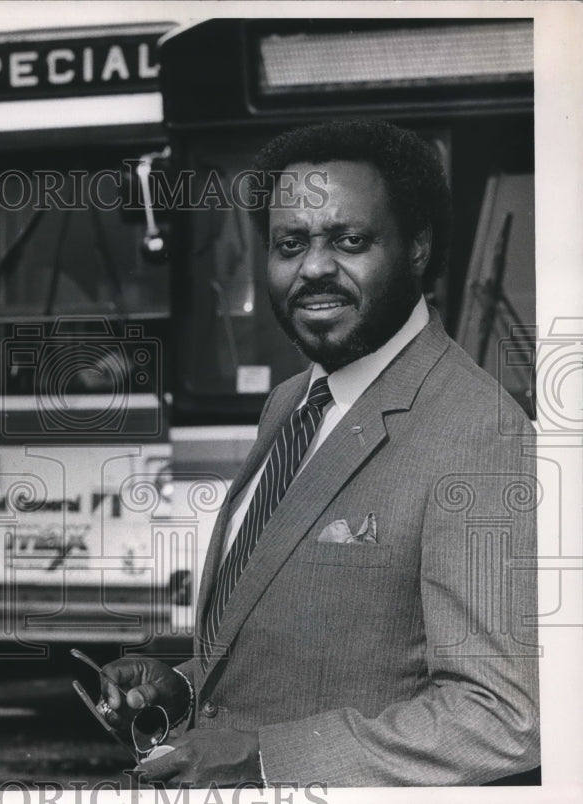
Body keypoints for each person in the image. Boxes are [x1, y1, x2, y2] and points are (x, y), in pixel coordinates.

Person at [97, 119, 539, 787]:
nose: (314, 268)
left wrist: (267, 761)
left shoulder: (478, 432)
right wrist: (185, 689)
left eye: (351, 240)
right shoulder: (291, 404)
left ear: (418, 248)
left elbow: (500, 716)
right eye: (290, 243)